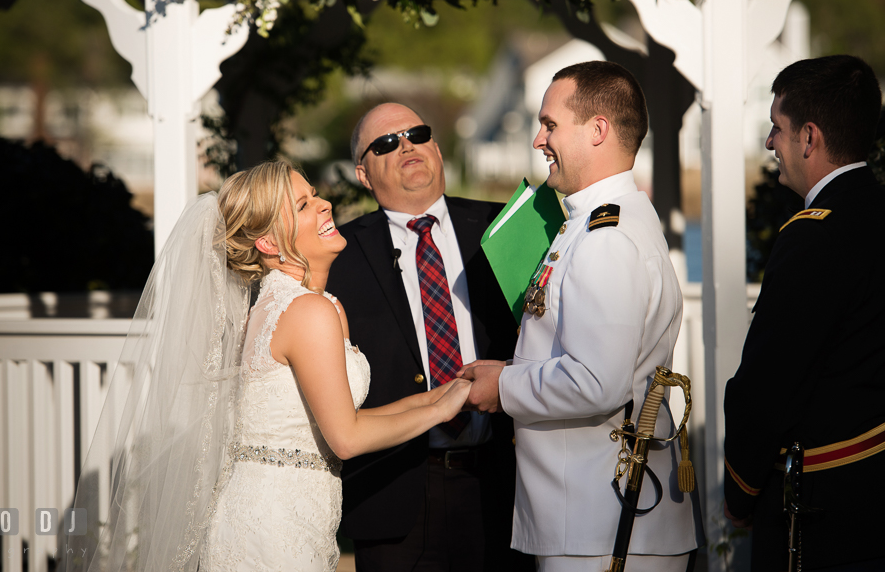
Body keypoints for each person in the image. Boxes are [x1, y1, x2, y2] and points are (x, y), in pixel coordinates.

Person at [61, 160, 471, 572]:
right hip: (274, 523)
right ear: (269, 244)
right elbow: (346, 439)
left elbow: (341, 418)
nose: (325, 204)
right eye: (303, 205)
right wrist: (439, 412)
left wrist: (436, 397)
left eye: (315, 195)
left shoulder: (287, 304)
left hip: (285, 511)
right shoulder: (308, 311)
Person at [461, 61, 704, 571]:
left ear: (598, 130)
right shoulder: (595, 223)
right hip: (594, 515)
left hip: (605, 522)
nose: (537, 140)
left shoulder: (606, 239)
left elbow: (596, 382)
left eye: (550, 124)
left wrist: (503, 386)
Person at [326, 103, 530, 572]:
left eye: (417, 134)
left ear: (436, 147)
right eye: (386, 143)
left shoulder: (508, 227)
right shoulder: (337, 256)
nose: (407, 146)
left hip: (506, 485)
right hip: (393, 496)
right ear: (363, 173)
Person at [723, 55, 885, 570]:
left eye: (777, 128)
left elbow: (767, 389)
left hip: (822, 512)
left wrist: (740, 492)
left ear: (809, 137)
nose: (770, 143)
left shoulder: (813, 236)